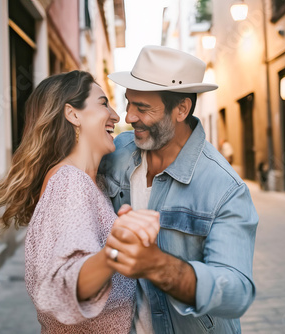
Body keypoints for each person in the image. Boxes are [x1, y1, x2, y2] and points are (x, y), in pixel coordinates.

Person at [0, 70, 161, 333]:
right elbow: (66, 283)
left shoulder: (89, 182)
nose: (116, 116)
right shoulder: (70, 182)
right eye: (102, 103)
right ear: (73, 114)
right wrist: (115, 251)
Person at [99, 45, 259, 333]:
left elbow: (236, 292)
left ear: (181, 109)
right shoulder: (116, 153)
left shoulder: (225, 187)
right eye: (129, 103)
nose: (129, 117)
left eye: (143, 108)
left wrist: (157, 265)